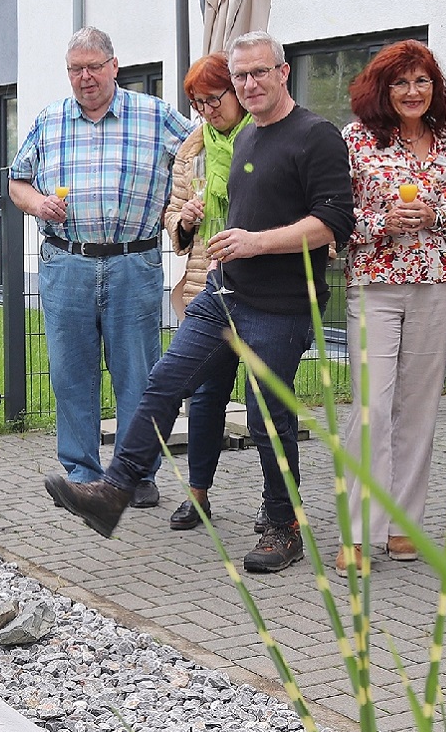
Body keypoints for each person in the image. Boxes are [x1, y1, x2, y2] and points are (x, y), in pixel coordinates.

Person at [43, 31, 355, 574]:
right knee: (164, 382)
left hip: (281, 304)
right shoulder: (244, 139)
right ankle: (114, 491)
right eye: (241, 76)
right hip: (221, 293)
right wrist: (211, 244)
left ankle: (284, 526)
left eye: (259, 73)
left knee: (266, 416)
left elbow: (333, 223)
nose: (249, 84)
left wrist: (256, 242)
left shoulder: (316, 135)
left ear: (283, 73)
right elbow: (234, 214)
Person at [8, 27, 193, 506]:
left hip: (135, 261)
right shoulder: (49, 121)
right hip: (67, 261)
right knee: (71, 371)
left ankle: (137, 474)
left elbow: (202, 152)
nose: (85, 77)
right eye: (75, 68)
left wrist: (189, 204)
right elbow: (17, 181)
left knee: (139, 372)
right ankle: (82, 471)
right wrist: (38, 205)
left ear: (115, 65)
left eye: (93, 66)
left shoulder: (154, 115)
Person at [338, 40, 446, 576]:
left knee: (419, 408)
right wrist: (379, 225)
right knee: (371, 408)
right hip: (374, 283)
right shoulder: (356, 141)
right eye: (401, 83)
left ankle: (402, 525)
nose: (412, 92)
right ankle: (357, 531)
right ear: (382, 89)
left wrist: (433, 211)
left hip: (435, 282)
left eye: (422, 82)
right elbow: (336, 215)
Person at [162, 52, 251, 532]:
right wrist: (186, 221)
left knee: (264, 401)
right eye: (197, 104)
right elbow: (173, 219)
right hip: (207, 283)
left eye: (213, 100)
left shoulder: (262, 138)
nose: (207, 111)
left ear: (236, 92)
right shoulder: (192, 150)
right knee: (205, 392)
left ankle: (277, 506)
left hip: (261, 287)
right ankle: (197, 495)